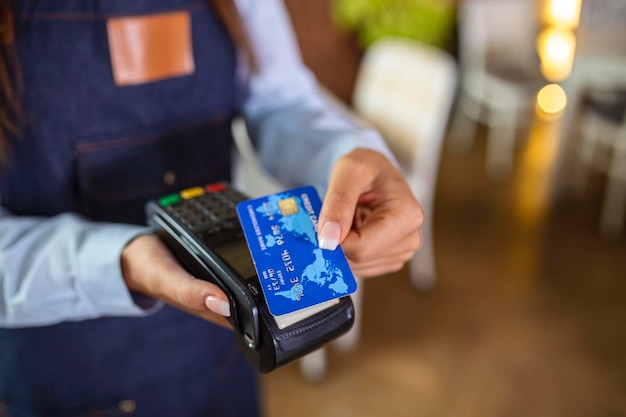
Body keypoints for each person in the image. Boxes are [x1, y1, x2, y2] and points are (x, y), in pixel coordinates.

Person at [0, 0, 423, 416]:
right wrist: (122, 261)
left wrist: (350, 154)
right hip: (67, 370)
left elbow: (279, 101)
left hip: (227, 339)